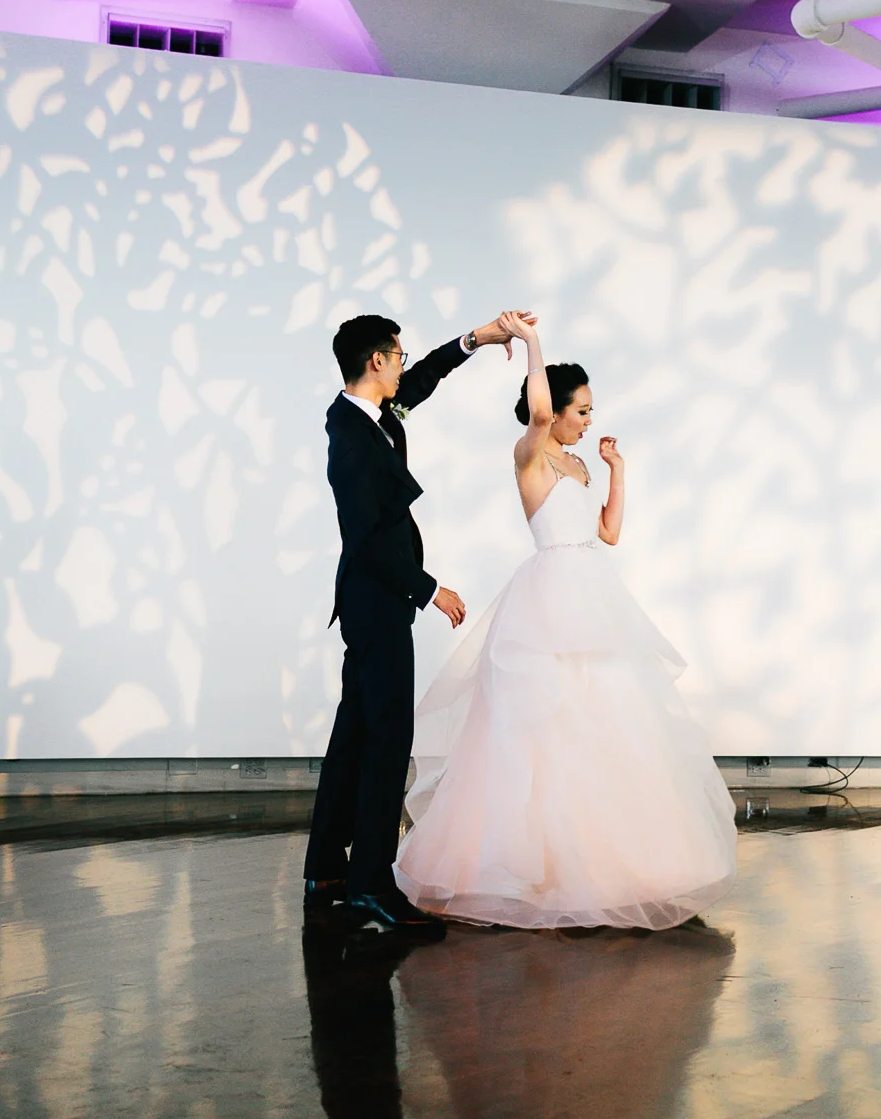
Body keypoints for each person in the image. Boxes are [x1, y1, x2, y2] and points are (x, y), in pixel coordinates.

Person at [394, 313, 737, 929]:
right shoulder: (531, 456)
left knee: (606, 721)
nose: (587, 420)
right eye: (581, 410)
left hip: (592, 594)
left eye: (589, 411)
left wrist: (617, 469)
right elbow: (536, 416)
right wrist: (531, 343)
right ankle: (538, 868)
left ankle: (613, 862)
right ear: (555, 411)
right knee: (543, 726)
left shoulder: (578, 465)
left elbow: (608, 532)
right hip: (549, 597)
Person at [303, 310, 532, 939]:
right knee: (386, 741)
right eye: (398, 356)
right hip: (376, 605)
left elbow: (423, 381)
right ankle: (371, 886)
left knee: (354, 736)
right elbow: (365, 539)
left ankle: (327, 871)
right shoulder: (353, 438)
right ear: (376, 361)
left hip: (374, 603)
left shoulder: (370, 415)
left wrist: (475, 340)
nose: (404, 365)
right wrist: (429, 589)